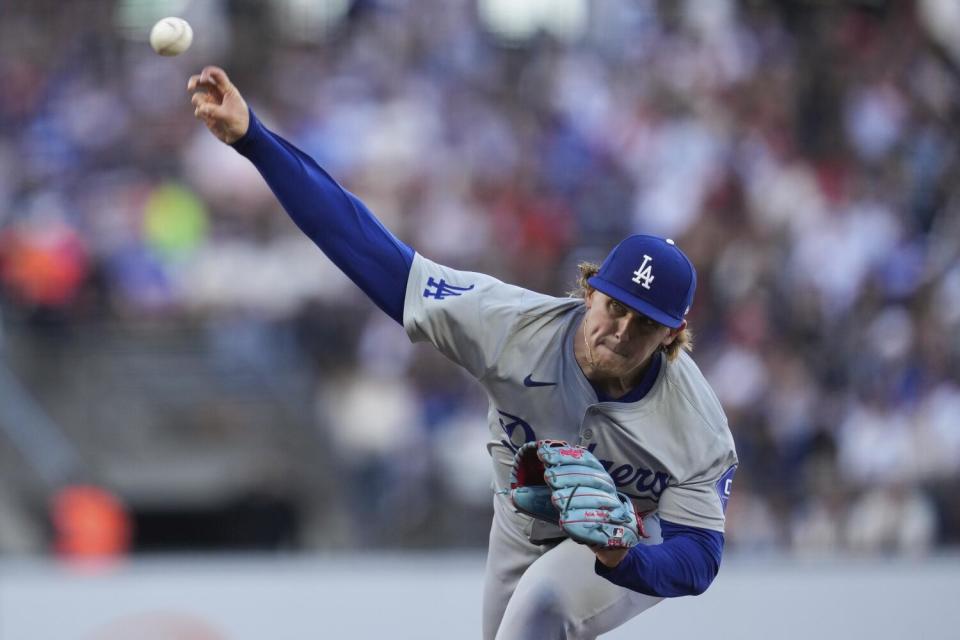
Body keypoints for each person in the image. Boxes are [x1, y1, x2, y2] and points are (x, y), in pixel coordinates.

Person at [188, 66, 738, 640]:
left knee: (540, 616)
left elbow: (699, 558)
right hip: (521, 524)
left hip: (631, 540)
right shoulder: (510, 326)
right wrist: (255, 140)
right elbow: (364, 246)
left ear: (673, 337)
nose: (622, 331)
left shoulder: (694, 424)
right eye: (615, 308)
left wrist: (624, 556)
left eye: (645, 325)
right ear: (589, 290)